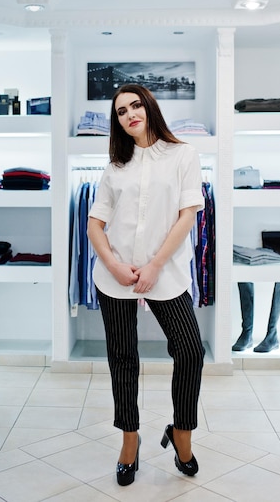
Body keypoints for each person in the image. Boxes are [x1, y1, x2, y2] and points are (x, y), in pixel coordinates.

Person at [87, 84, 205, 486]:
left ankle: (181, 435)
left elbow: (187, 215)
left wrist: (155, 264)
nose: (129, 114)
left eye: (135, 105)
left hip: (166, 274)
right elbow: (94, 224)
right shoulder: (114, 165)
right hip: (115, 275)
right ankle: (130, 441)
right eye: (120, 111)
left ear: (149, 107)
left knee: (189, 352)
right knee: (123, 359)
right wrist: (115, 265)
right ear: (117, 121)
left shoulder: (183, 154)